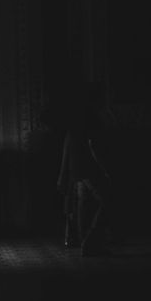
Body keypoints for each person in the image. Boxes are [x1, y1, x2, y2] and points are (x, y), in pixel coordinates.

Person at [57, 93, 113, 256]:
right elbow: (94, 146)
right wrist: (105, 169)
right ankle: (91, 241)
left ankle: (85, 243)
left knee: (84, 206)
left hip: (77, 170)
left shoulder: (76, 120)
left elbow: (67, 146)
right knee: (108, 200)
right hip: (90, 169)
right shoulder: (93, 120)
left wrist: (64, 173)